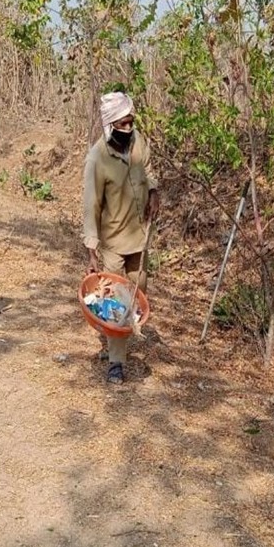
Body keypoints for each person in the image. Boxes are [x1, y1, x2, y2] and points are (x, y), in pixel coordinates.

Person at [83, 91, 159, 385]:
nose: (128, 128)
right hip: (113, 242)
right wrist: (91, 249)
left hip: (139, 235)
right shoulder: (97, 158)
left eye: (131, 122)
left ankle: (115, 339)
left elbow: (148, 169)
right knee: (117, 300)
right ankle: (116, 360)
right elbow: (90, 205)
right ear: (109, 125)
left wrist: (154, 191)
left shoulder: (139, 141)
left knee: (137, 293)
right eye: (122, 124)